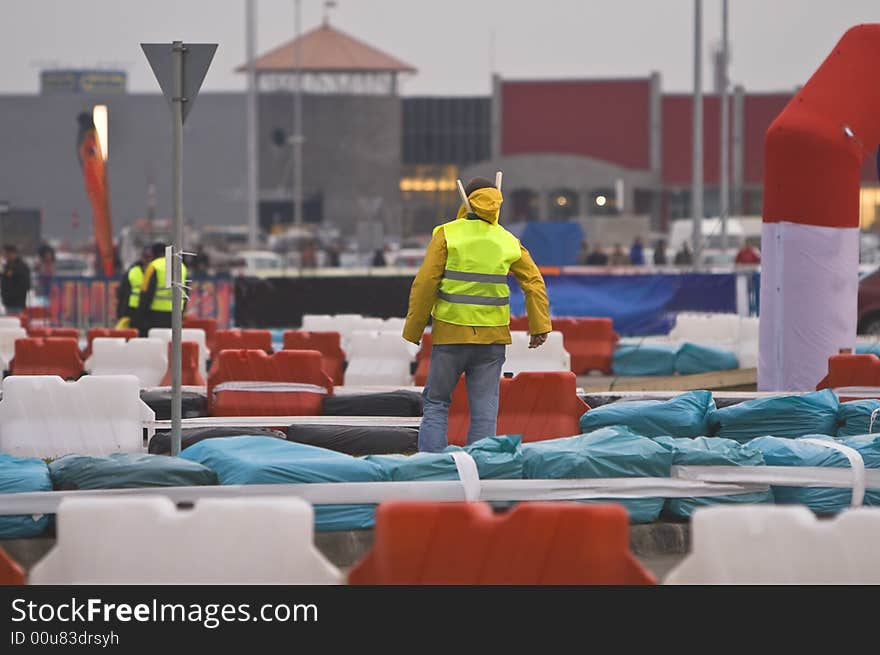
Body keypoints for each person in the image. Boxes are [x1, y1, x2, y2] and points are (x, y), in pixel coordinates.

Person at [403, 176, 551, 453]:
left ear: (466, 201)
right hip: (492, 338)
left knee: (436, 404)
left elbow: (425, 284)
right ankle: (481, 468)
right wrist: (539, 325)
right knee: (485, 409)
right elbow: (534, 283)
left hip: (450, 334)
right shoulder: (508, 240)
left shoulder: (448, 234)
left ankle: (430, 466)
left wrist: (414, 329)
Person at [137, 242, 188, 337]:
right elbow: (186, 291)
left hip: (156, 313)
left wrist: (141, 314)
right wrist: (183, 310)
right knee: (171, 341)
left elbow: (146, 292)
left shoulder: (153, 266)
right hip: (176, 312)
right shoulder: (181, 266)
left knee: (157, 341)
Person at [115, 246, 151, 330]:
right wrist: (121, 313)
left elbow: (122, 293)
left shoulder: (133, 271)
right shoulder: (133, 271)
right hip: (134, 310)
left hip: (142, 310)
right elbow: (123, 293)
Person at [1, 244, 31, 316]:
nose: (5, 257)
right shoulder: (8, 266)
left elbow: (25, 284)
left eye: (6, 254)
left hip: (16, 302)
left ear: (12, 253)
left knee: (14, 322)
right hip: (8, 301)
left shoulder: (21, 266)